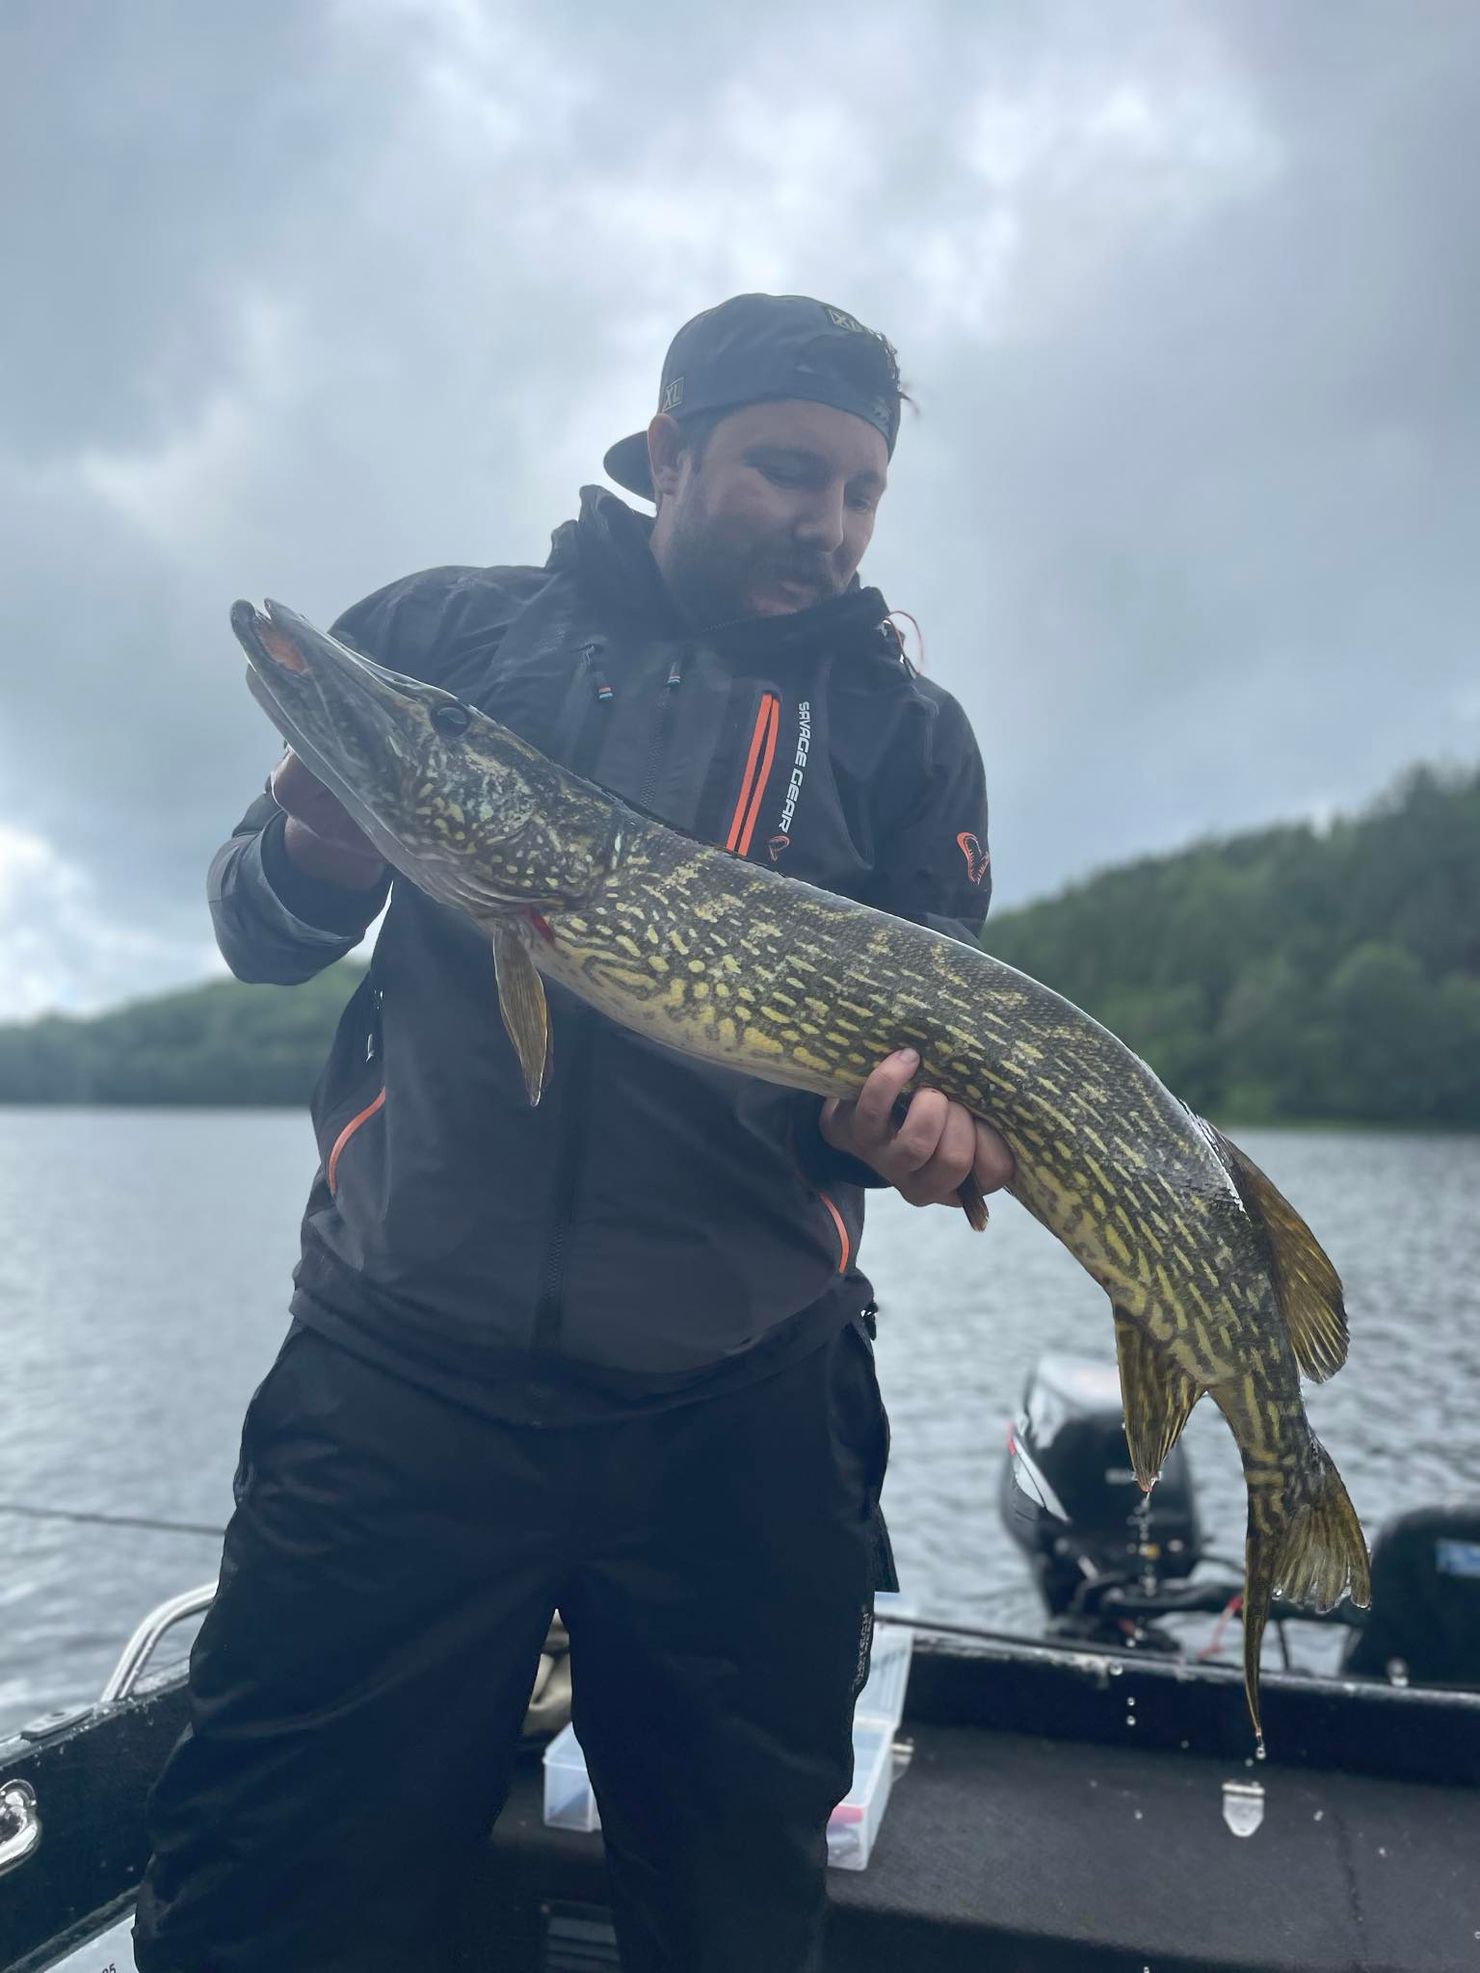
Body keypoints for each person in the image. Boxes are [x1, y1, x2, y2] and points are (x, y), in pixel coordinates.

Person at [133, 292, 1013, 1973]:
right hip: (399, 1382)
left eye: (860, 491)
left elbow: (905, 1084)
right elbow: (260, 930)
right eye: (785, 470)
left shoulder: (908, 737)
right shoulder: (449, 641)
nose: (828, 525)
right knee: (263, 1894)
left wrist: (904, 1138)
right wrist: (316, 850)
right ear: (667, 451)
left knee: (732, 1918)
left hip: (741, 1420)